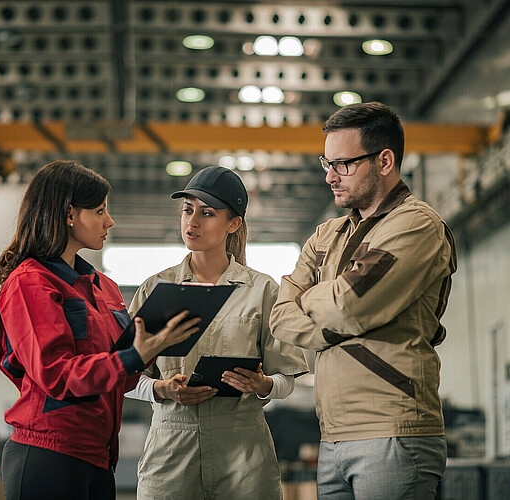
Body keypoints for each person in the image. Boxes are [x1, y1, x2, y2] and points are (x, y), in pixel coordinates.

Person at [0, 160, 200, 500]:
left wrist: (157, 381)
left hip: (97, 458)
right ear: (69, 214)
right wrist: (133, 355)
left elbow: (117, 373)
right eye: (99, 211)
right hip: (49, 455)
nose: (109, 221)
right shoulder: (31, 283)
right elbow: (55, 374)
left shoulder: (104, 288)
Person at [269, 102, 457, 499]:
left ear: (385, 160)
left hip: (393, 432)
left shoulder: (415, 225)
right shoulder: (328, 235)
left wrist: (320, 302)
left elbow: (347, 305)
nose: (330, 177)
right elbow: (280, 315)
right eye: (326, 163)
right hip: (333, 436)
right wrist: (339, 312)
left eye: (343, 164)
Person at [126, 166, 308, 499]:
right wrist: (162, 389)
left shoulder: (262, 290)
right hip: (171, 444)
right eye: (187, 210)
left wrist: (264, 384)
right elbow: (125, 378)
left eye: (207, 213)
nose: (192, 222)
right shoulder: (156, 288)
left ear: (233, 223)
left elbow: (286, 378)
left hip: (243, 447)